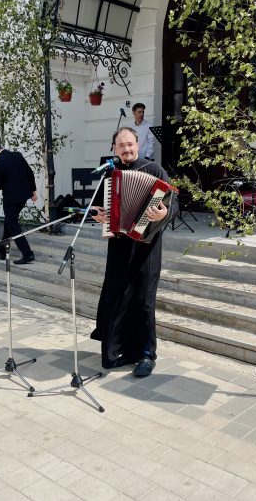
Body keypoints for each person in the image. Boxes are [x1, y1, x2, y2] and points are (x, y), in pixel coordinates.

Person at [90, 127, 177, 377]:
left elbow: (173, 204)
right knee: (118, 297)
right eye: (121, 145)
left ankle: (147, 355)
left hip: (146, 247)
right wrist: (99, 216)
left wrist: (164, 213)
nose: (126, 149)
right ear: (114, 148)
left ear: (137, 145)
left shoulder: (154, 170)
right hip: (119, 245)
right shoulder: (110, 175)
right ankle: (118, 351)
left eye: (130, 144)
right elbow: (100, 208)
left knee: (144, 301)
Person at [0, 141, 37, 264]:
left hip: (11, 198)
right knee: (9, 222)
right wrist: (33, 191)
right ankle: (2, 251)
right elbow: (29, 173)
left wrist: (4, 182)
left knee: (12, 224)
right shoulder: (17, 155)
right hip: (23, 196)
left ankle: (28, 254)